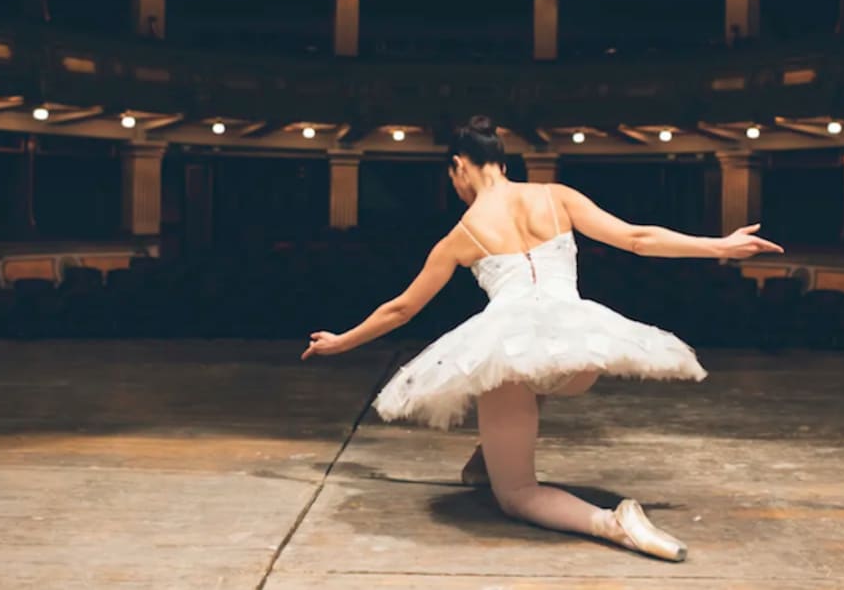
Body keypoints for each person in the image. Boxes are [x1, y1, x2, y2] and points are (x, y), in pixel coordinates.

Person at [301, 115, 783, 561]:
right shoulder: (556, 196)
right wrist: (720, 245)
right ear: (504, 163)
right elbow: (638, 239)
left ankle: (613, 523)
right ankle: (486, 458)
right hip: (578, 350)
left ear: (459, 167)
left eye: (453, 177)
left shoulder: (461, 234)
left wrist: (342, 342)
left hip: (513, 349)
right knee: (530, 375)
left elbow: (402, 308)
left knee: (516, 495)